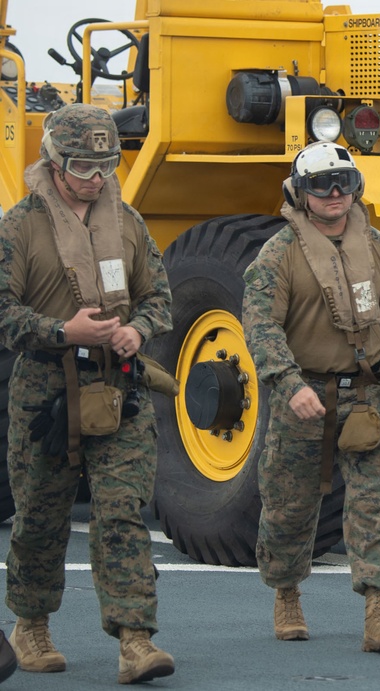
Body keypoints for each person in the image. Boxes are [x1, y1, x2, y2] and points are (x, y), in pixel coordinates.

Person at [0, 103, 175, 684]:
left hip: (117, 386)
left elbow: (158, 298)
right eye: (82, 166)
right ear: (54, 161)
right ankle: (30, 625)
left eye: (107, 165)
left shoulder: (127, 221)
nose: (96, 178)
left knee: (122, 511)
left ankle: (135, 639)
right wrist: (61, 331)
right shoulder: (20, 226)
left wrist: (138, 330)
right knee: (40, 515)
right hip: (44, 389)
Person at [242, 141, 380, 653]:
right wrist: (289, 384)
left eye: (343, 183)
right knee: (288, 510)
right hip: (303, 399)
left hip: (368, 400)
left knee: (374, 506)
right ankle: (286, 594)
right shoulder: (279, 254)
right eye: (320, 185)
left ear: (356, 188)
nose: (333, 193)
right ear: (299, 192)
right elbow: (260, 326)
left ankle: (378, 613)